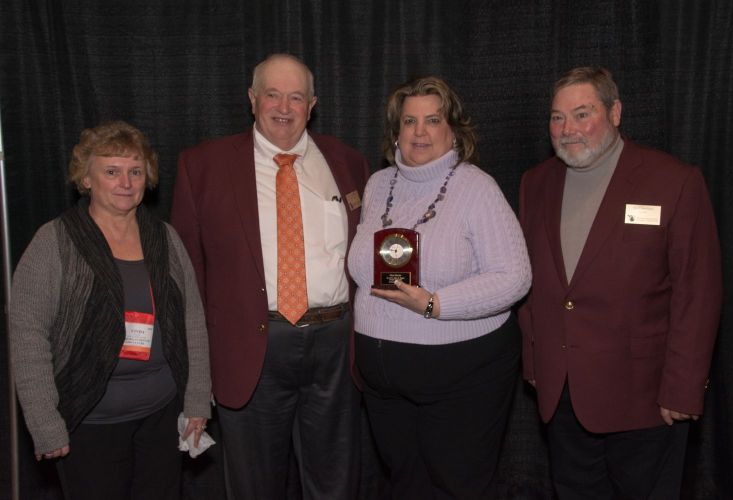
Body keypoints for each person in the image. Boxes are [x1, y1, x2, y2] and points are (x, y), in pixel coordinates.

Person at [170, 53, 369, 499]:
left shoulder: (348, 162)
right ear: (251, 99)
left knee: (336, 482)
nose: (284, 106)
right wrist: (196, 370)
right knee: (254, 486)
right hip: (250, 350)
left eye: (296, 96)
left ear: (312, 104)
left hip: (335, 346)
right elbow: (187, 275)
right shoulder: (203, 166)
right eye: (272, 94)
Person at [518, 67, 722, 499]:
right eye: (557, 118)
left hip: (646, 400)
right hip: (563, 394)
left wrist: (684, 388)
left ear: (615, 112)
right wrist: (535, 361)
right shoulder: (535, 184)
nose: (567, 130)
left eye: (582, 114)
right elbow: (531, 283)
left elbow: (698, 294)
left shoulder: (675, 182)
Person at [347, 76, 532, 499]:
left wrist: (435, 304)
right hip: (384, 386)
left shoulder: (476, 188)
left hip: (462, 378)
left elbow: (515, 277)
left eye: (433, 120)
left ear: (454, 130)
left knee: (455, 488)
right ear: (396, 130)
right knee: (406, 485)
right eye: (409, 120)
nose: (419, 131)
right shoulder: (377, 185)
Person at [9, 121, 211, 500]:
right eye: (112, 171)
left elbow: (193, 322)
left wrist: (198, 399)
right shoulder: (54, 241)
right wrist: (44, 421)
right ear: (86, 179)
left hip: (161, 417)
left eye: (135, 171)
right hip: (89, 422)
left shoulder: (164, 238)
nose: (126, 182)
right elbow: (27, 335)